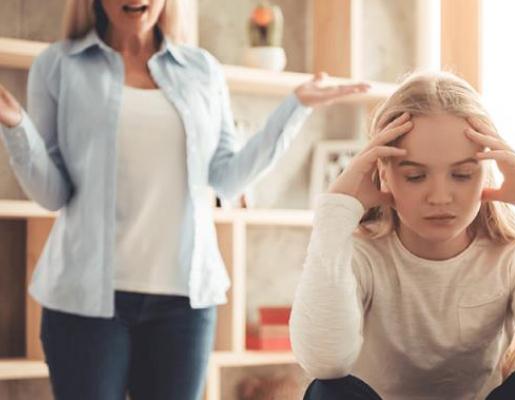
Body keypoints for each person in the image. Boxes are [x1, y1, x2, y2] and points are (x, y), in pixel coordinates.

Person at [0, 1, 369, 399]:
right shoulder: (58, 66)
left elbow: (227, 177)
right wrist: (16, 127)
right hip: (83, 302)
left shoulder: (201, 69)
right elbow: (52, 194)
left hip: (182, 306)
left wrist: (296, 107)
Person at [290, 70, 515, 399]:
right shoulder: (360, 255)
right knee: (328, 389)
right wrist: (334, 215)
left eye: (462, 174)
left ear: (486, 172)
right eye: (415, 176)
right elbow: (324, 362)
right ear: (384, 174)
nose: (440, 197)